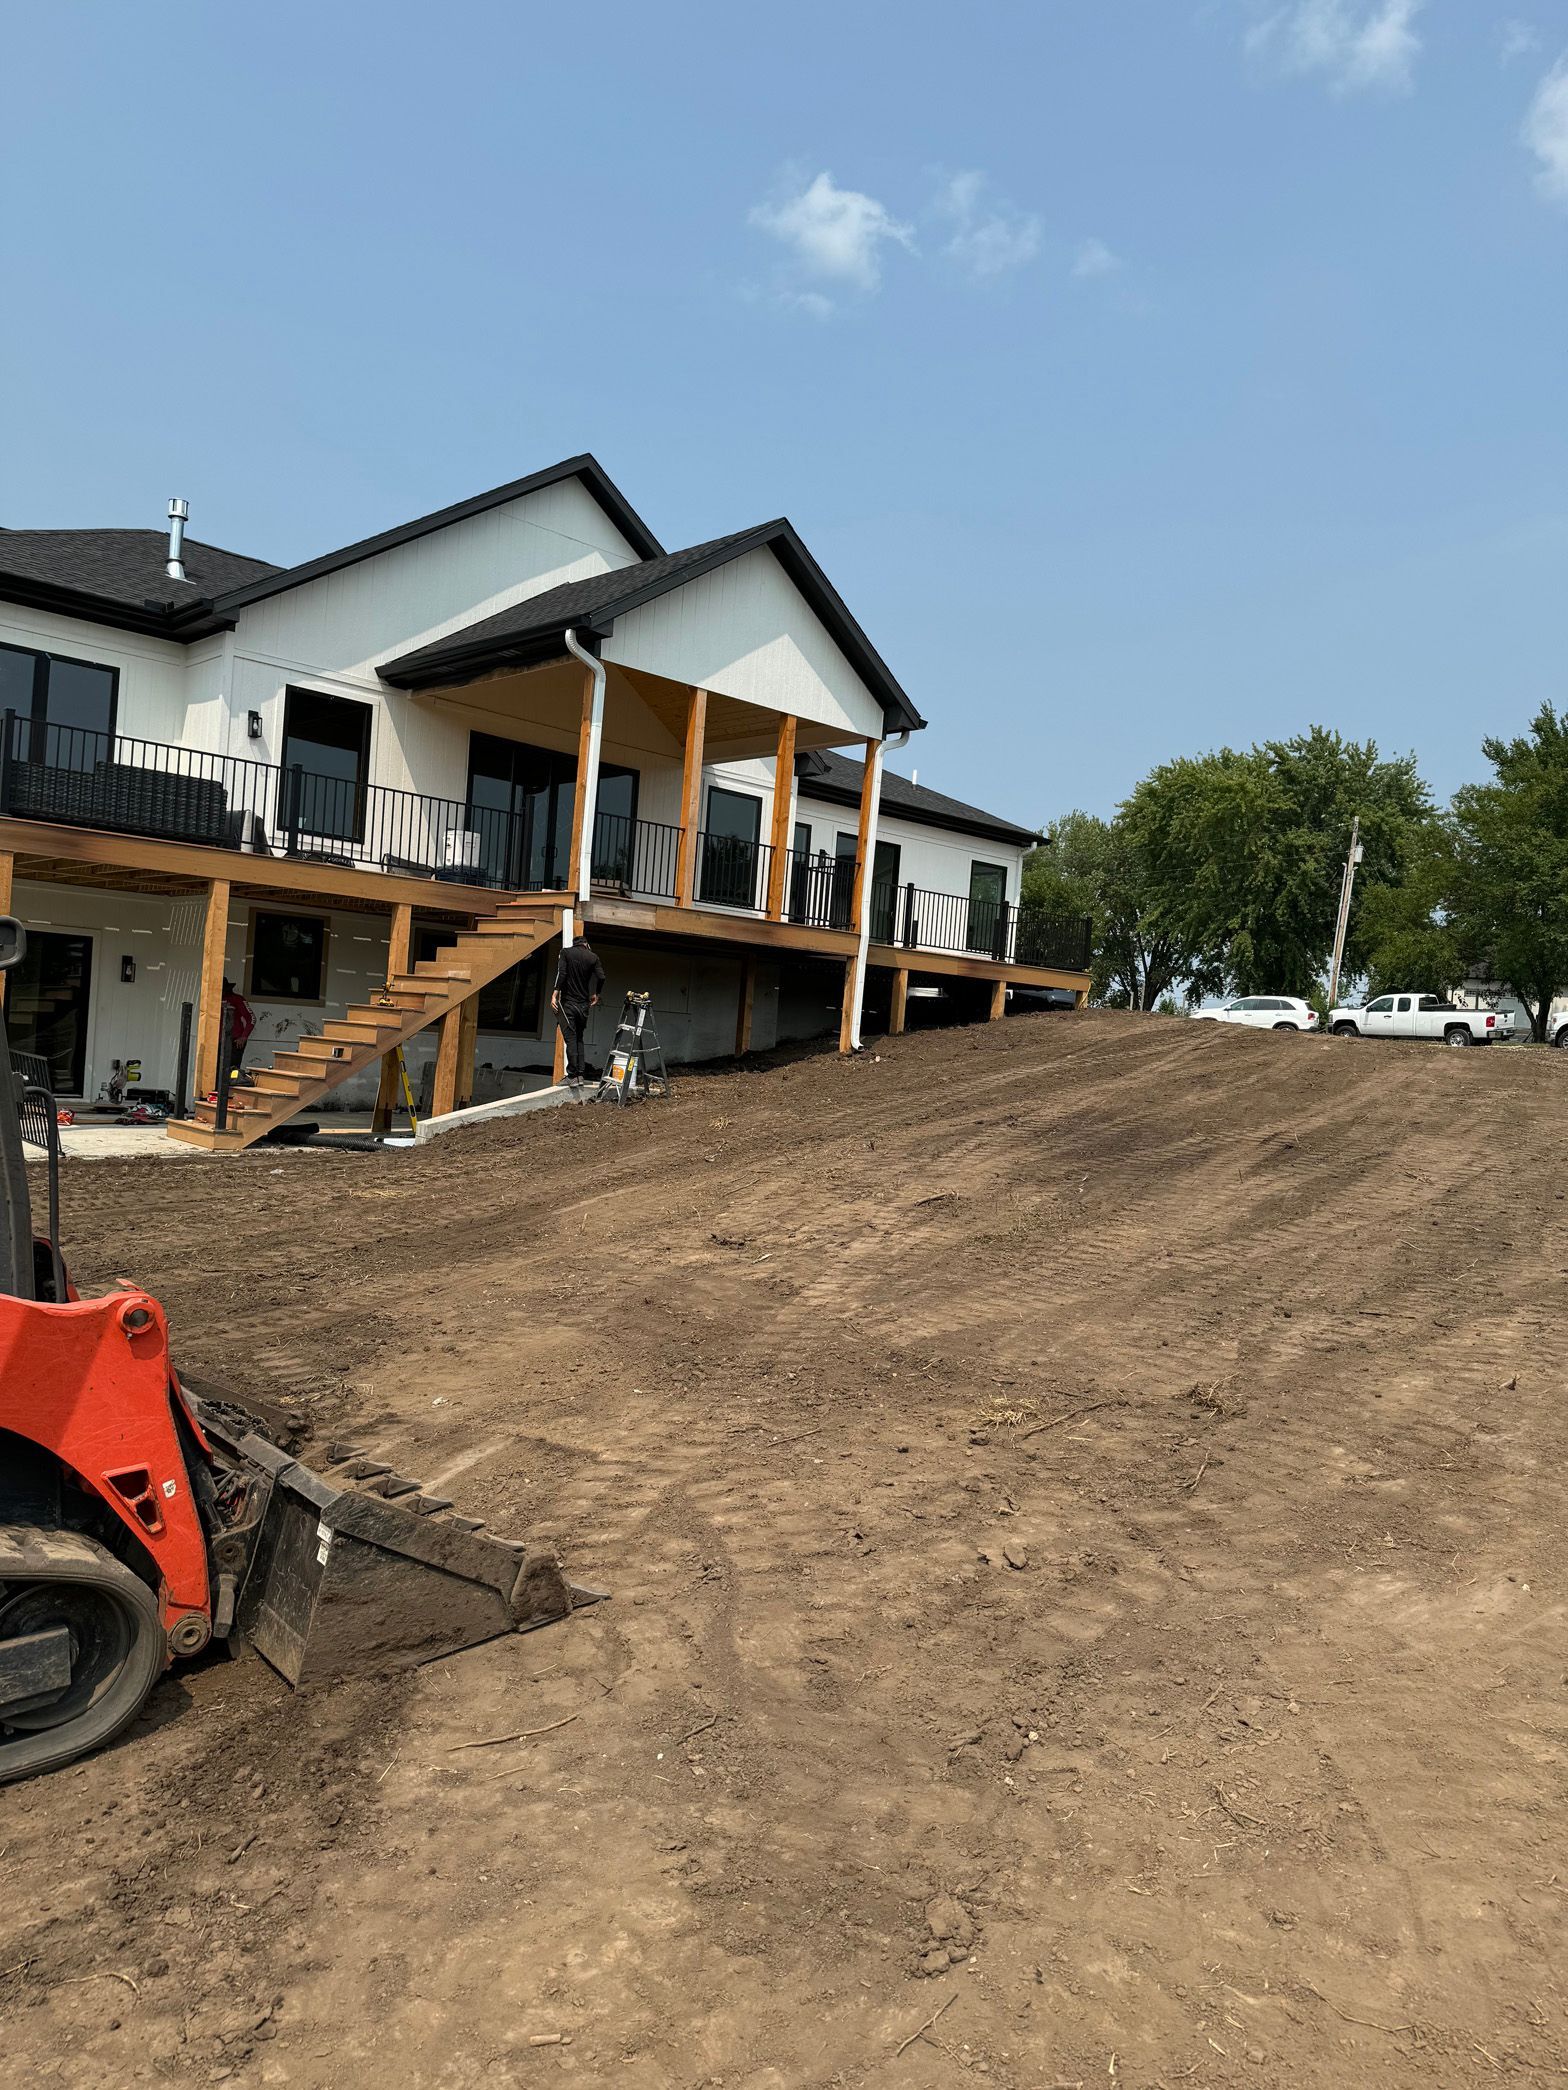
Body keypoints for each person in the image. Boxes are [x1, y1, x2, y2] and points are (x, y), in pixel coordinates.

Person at [551, 936, 604, 1083]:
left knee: (571, 1039)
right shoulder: (593, 957)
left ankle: (572, 1076)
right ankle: (580, 1075)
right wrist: (597, 993)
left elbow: (561, 974)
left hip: (569, 1004)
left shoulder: (566, 953)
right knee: (579, 1038)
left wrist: (555, 994)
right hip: (583, 1005)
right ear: (586, 944)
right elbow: (601, 977)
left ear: (575, 944)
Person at [221, 978, 256, 1085]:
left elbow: (251, 1018)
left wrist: (244, 1037)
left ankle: (231, 1092)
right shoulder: (211, 999)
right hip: (217, 1041)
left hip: (235, 1040)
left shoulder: (237, 999)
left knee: (233, 1069)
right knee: (216, 1068)